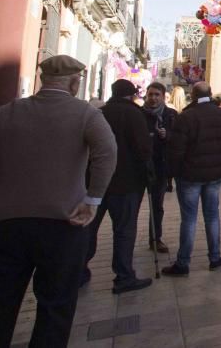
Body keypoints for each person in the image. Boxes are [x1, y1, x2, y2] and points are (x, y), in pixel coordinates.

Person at [0, 56, 116, 347]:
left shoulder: (7, 113)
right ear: (75, 83)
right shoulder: (86, 114)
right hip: (64, 223)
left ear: (42, 80)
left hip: (4, 225)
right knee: (56, 307)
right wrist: (92, 199)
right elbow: (107, 153)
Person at [84, 79, 153, 293]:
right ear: (131, 94)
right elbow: (143, 149)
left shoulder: (98, 114)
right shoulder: (134, 114)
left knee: (89, 228)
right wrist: (150, 173)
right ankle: (124, 275)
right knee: (124, 230)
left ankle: (78, 270)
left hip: (96, 182)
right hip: (127, 181)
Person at [161, 82, 221, 276]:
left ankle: (183, 262)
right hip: (213, 174)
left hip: (190, 175)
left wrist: (173, 172)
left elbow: (177, 149)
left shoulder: (187, 117)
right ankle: (215, 256)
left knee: (189, 219)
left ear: (193, 95)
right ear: (210, 94)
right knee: (212, 215)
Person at [143, 82, 177, 254]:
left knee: (157, 204)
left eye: (157, 95)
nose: (153, 98)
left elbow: (178, 138)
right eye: (151, 95)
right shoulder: (139, 114)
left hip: (160, 165)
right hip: (141, 165)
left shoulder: (170, 115)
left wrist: (167, 135)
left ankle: (155, 238)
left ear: (163, 97)